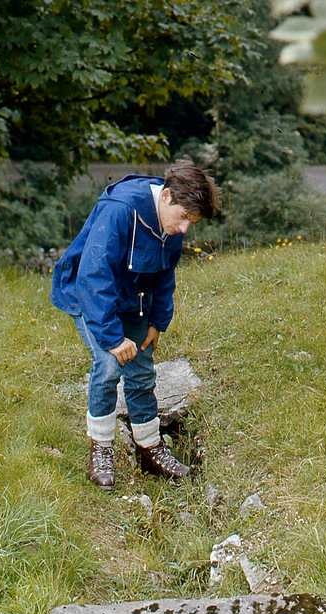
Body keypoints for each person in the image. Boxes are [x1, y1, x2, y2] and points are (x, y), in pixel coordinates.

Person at [51, 159, 220, 490]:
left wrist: (158, 321)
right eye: (185, 218)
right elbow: (93, 275)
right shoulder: (120, 210)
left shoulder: (171, 223)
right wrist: (114, 339)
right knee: (108, 367)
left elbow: (164, 275)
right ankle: (100, 449)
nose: (185, 229)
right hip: (90, 295)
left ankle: (149, 447)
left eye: (193, 222)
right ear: (167, 196)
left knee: (142, 371)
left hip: (135, 299)